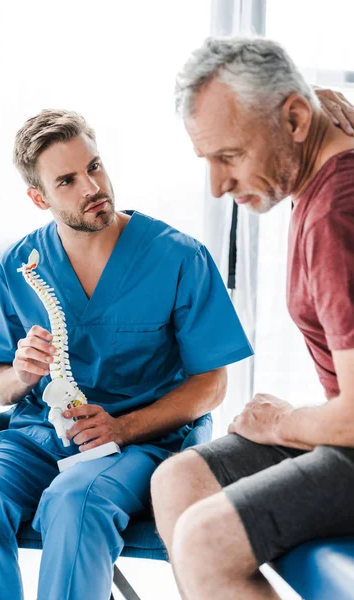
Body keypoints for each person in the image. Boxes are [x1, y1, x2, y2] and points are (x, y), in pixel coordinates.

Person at [0, 109, 253, 600]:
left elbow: (212, 384)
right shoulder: (16, 266)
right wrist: (21, 374)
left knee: (76, 501)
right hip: (40, 436)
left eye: (94, 167)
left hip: (141, 443)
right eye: (67, 180)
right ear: (39, 197)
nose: (92, 186)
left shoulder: (178, 257)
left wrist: (122, 428)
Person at [151, 37, 354, 600]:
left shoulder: (335, 216)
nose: (217, 187)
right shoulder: (322, 151)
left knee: (203, 543)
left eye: (230, 156)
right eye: (209, 160)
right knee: (178, 479)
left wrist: (284, 423)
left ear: (294, 118)